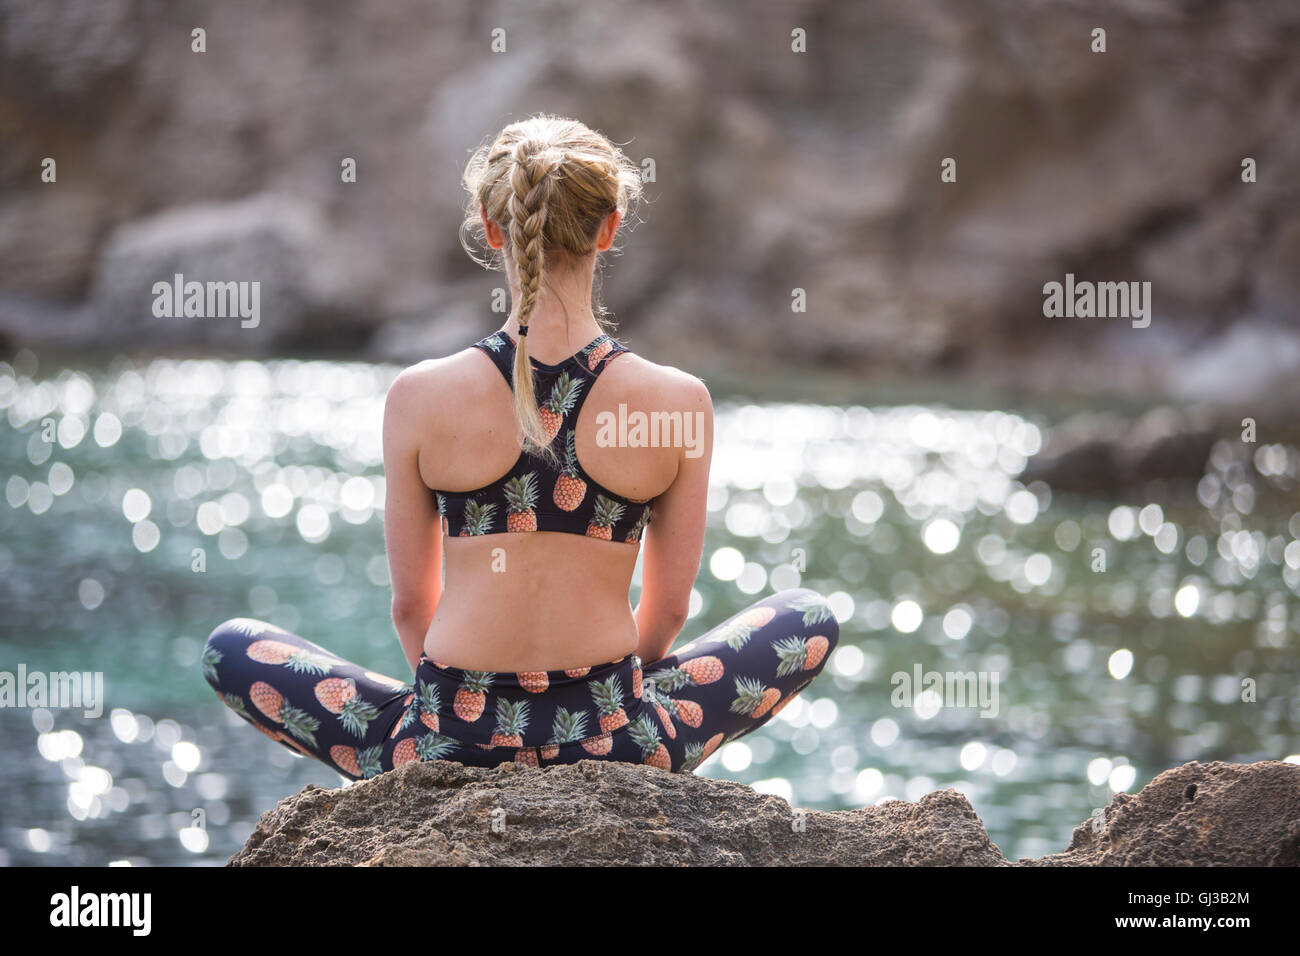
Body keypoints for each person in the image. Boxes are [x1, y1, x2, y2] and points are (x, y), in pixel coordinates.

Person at [202, 114, 838, 780]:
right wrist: (607, 703)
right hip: (617, 736)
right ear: (610, 227)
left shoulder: (418, 396)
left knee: (232, 651)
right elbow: (670, 609)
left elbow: (411, 607)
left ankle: (425, 741)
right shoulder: (680, 402)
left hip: (447, 738)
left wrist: (450, 711)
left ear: (490, 224)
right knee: (807, 618)